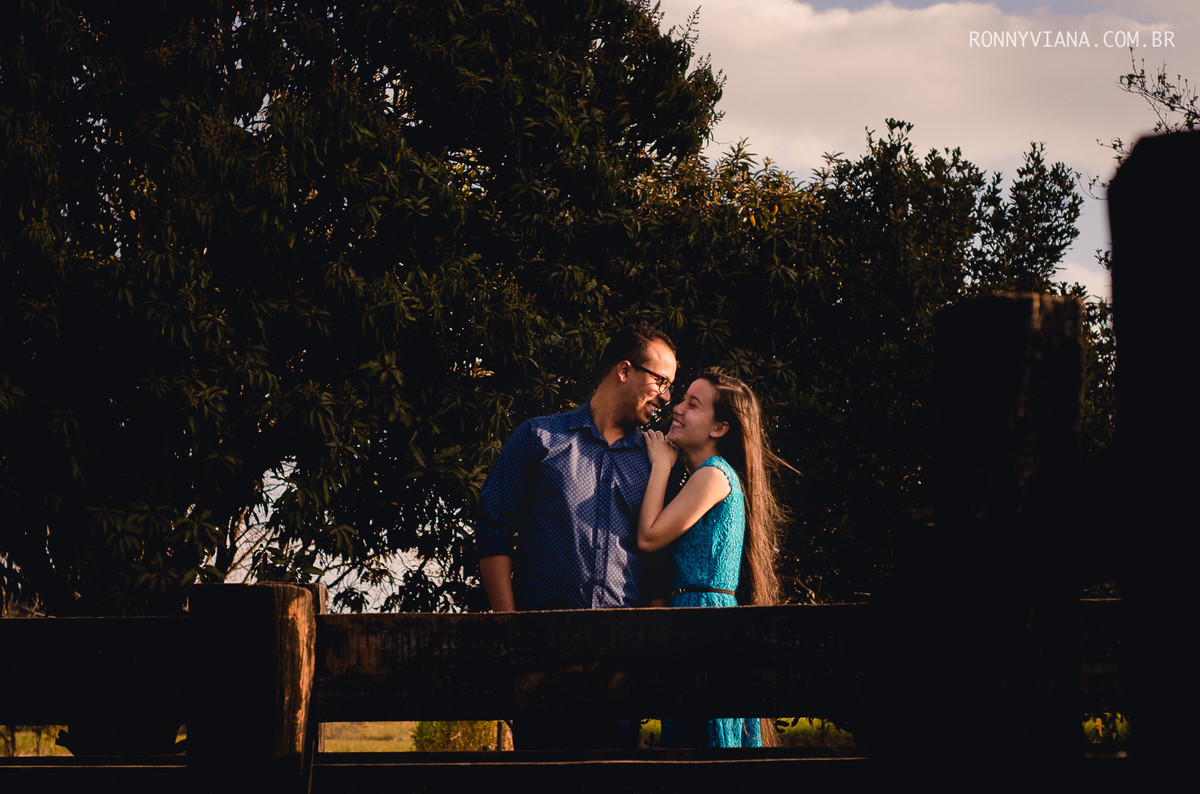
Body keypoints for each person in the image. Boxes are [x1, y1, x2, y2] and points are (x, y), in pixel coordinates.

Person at [474, 322, 677, 748]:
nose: (666, 396)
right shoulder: (538, 438)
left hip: (622, 657)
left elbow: (658, 562)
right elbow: (493, 530)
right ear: (624, 370)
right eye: (661, 381)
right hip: (541, 653)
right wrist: (510, 631)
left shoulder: (654, 460)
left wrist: (651, 651)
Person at [637, 366, 786, 748]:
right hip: (697, 611)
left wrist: (660, 464)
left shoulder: (714, 475)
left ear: (719, 428)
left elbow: (650, 537)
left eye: (693, 404)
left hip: (703, 615)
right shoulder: (710, 476)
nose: (678, 409)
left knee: (707, 747)